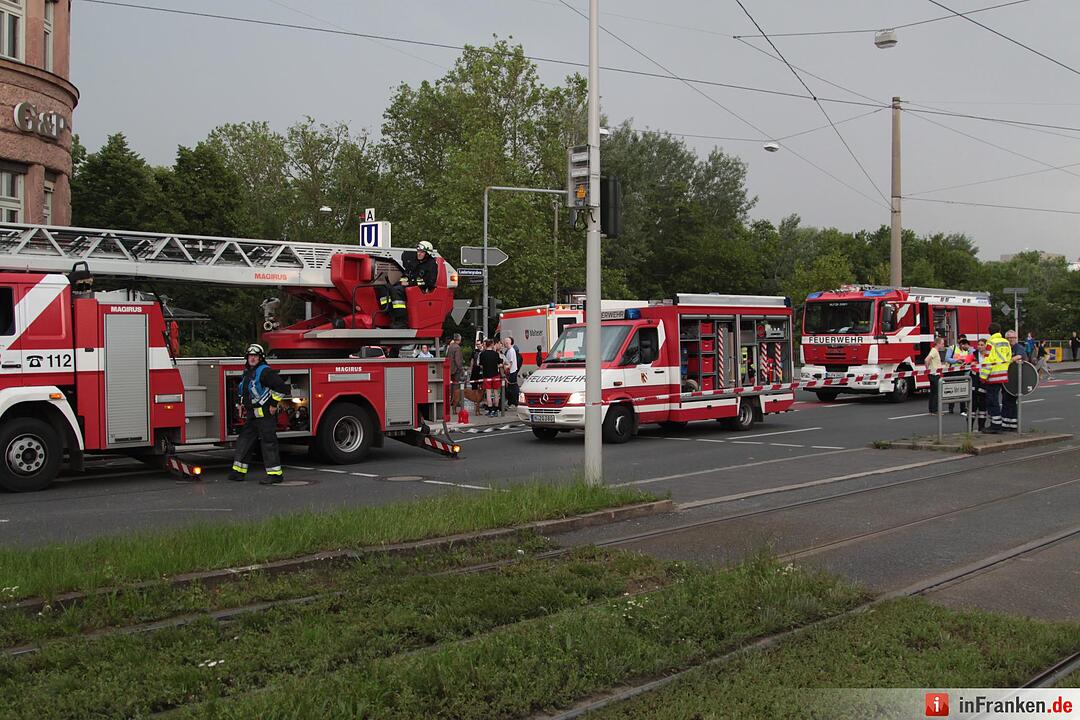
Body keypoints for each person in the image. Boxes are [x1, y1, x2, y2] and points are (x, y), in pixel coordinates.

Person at [228, 344, 290, 484]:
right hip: (252, 415)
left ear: (261, 358)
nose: (253, 358)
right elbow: (243, 391)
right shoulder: (248, 372)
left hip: (265, 414)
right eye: (250, 356)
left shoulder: (265, 371)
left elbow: (281, 387)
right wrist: (240, 404)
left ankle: (275, 475)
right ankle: (239, 471)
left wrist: (274, 404)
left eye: (255, 356)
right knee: (244, 440)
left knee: (268, 443)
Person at [377, 240, 439, 329]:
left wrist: (410, 283)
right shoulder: (414, 262)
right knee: (384, 287)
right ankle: (388, 311)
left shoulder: (431, 265)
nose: (419, 254)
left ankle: (401, 320)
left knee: (396, 291)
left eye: (421, 252)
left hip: (420, 290)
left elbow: (429, 282)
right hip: (408, 287)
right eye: (418, 251)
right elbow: (406, 275)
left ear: (427, 253)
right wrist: (402, 281)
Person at [980, 323, 1012, 434]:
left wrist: (983, 376)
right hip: (1004, 375)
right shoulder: (1006, 342)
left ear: (989, 331)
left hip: (993, 376)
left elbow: (988, 360)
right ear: (999, 330)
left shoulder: (990, 343)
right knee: (997, 400)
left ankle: (995, 425)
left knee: (991, 401)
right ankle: (998, 424)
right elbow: (1009, 358)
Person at [945, 335, 974, 414]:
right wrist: (956, 361)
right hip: (952, 372)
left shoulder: (967, 350)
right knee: (952, 390)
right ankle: (951, 408)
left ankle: (963, 409)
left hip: (962, 372)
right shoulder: (952, 348)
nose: (963, 344)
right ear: (958, 341)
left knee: (962, 390)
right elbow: (947, 358)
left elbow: (972, 356)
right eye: (961, 341)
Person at [478, 339, 503, 417]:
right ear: (492, 344)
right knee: (496, 393)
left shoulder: (482, 354)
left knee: (488, 393)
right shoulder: (495, 354)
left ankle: (489, 409)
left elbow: (481, 365)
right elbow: (500, 363)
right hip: (495, 375)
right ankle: (496, 410)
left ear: (486, 345)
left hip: (486, 376)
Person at [925, 336, 945, 415]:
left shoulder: (934, 351)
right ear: (938, 344)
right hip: (934, 374)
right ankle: (935, 410)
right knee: (936, 393)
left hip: (932, 374)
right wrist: (928, 368)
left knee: (933, 392)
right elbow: (927, 359)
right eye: (942, 344)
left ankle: (931, 410)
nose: (943, 345)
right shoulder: (934, 351)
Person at [447, 333, 465, 412]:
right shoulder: (457, 347)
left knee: (452, 385)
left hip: (450, 369)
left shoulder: (450, 346)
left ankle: (451, 400)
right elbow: (457, 360)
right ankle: (456, 401)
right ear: (459, 339)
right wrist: (461, 368)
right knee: (456, 386)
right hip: (456, 370)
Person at [502, 336, 520, 408]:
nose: (504, 344)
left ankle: (514, 402)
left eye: (505, 343)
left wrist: (506, 368)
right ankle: (511, 402)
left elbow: (511, 362)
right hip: (511, 371)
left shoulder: (511, 351)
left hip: (512, 372)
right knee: (510, 387)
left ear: (508, 343)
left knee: (512, 387)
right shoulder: (510, 350)